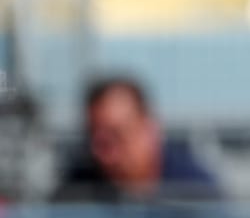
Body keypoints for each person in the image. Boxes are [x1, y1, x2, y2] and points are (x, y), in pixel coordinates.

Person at [54, 75, 221, 203]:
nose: (102, 153)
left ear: (150, 129)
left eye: (117, 135)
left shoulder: (196, 195)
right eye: (92, 136)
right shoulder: (73, 197)